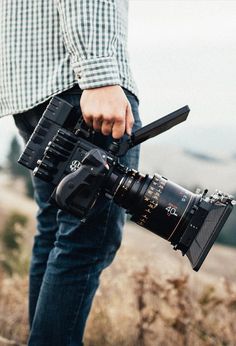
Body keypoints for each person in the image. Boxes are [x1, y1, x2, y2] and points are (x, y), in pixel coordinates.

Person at [0, 1, 141, 345]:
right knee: (86, 240)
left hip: (32, 83)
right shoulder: (92, 79)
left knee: (55, 231)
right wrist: (99, 74)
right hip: (79, 83)